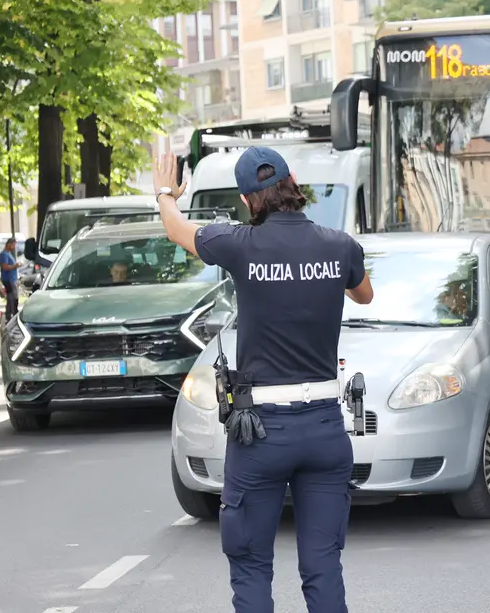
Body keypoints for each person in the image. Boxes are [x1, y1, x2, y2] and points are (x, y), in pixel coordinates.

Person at [155, 147, 374, 613]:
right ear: (294, 181)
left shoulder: (238, 244)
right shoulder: (339, 244)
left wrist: (165, 193)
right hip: (324, 428)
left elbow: (175, 228)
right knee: (323, 564)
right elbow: (364, 293)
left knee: (251, 564)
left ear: (246, 199)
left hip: (261, 434)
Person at [0, 237, 22, 320]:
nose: (14, 247)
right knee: (13, 297)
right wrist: (15, 266)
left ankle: (9, 315)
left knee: (10, 297)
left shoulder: (8, 254)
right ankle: (14, 313)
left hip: (12, 279)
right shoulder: (4, 254)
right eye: (13, 245)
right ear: (8, 244)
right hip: (9, 279)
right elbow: (5, 267)